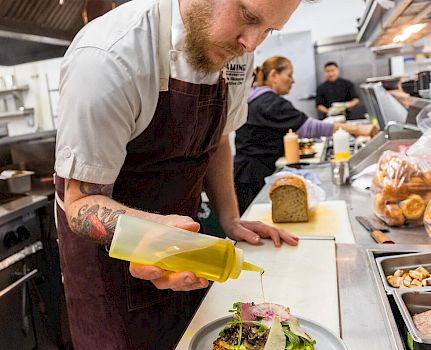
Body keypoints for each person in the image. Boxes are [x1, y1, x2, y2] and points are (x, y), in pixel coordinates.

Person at [54, 0, 301, 349]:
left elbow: (218, 140)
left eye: (269, 30)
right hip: (110, 271)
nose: (252, 43)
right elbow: (79, 204)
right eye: (247, 17)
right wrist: (150, 235)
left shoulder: (237, 50)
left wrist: (230, 217)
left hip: (183, 250)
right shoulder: (108, 57)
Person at [234, 56, 378, 214]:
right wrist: (356, 129)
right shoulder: (270, 102)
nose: (293, 81)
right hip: (253, 175)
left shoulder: (257, 97)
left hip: (247, 171)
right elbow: (309, 127)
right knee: (255, 220)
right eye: (289, 75)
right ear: (274, 75)